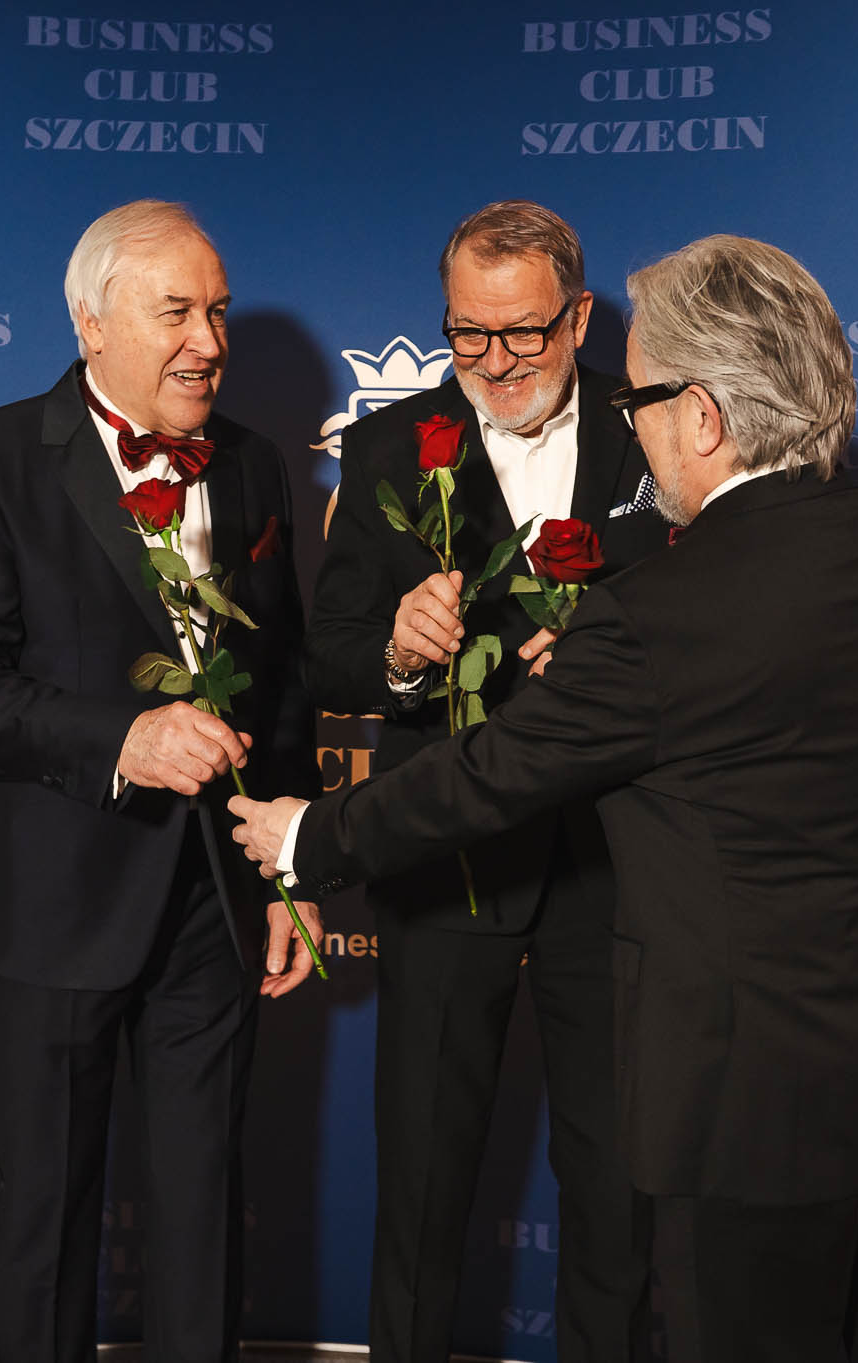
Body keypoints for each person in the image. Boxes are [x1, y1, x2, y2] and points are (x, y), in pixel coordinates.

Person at [235, 234, 858, 1363]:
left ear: (701, 415)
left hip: (752, 1108)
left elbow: (498, 771)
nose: (635, 426)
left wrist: (311, 834)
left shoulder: (664, 611)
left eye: (644, 398)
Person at [0, 199, 322, 1363]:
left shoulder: (252, 464)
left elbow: (282, 682)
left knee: (204, 1204)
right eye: (175, 312)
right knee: (44, 1213)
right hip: (52, 897)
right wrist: (121, 741)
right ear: (92, 324)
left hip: (212, 899)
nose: (208, 341)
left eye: (218, 311)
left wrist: (286, 873)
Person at [307, 200, 666, 1363]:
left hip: (614, 858)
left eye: (523, 332)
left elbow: (708, 610)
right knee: (420, 1175)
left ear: (579, 317)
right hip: (444, 856)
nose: (495, 361)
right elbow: (329, 650)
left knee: (615, 1182)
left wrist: (612, 649)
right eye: (468, 333)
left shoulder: (656, 428)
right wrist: (399, 651)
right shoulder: (386, 446)